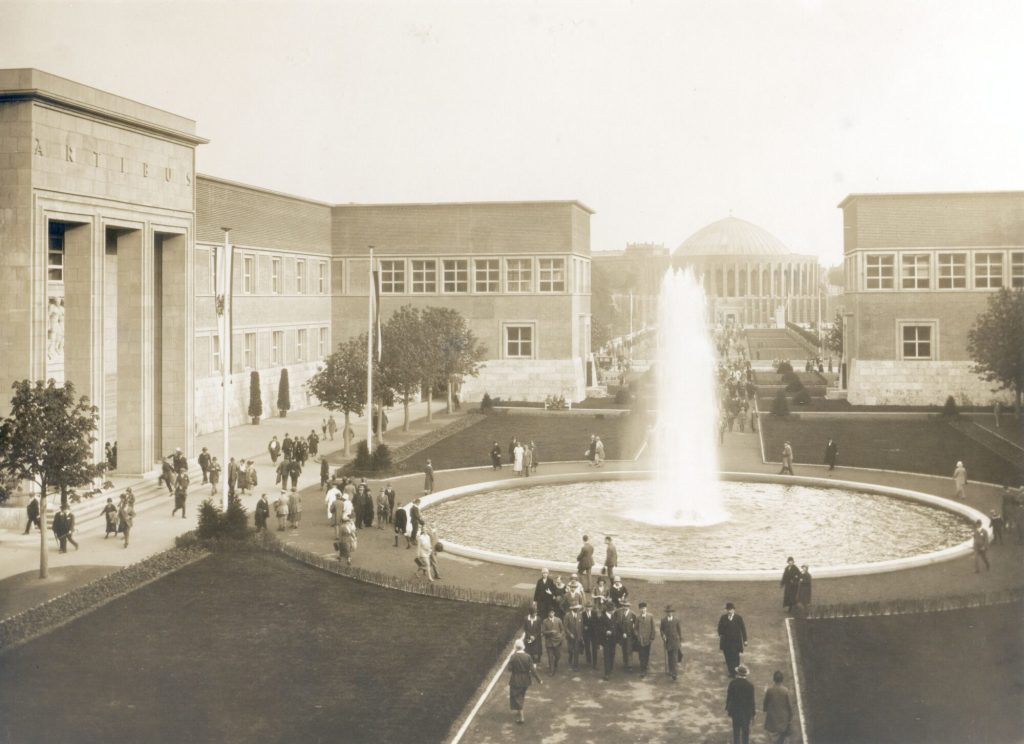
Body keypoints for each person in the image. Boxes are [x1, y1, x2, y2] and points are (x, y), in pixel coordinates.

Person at [507, 637, 543, 725]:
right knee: (521, 696)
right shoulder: (527, 656)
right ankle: (519, 711)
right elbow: (532, 670)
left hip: (516, 680)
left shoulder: (513, 656)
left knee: (516, 697)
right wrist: (539, 680)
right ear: (523, 646)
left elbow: (509, 668)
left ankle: (521, 717)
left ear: (515, 647)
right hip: (526, 680)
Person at [726, 665, 756, 744]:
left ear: (737, 673)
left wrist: (728, 709)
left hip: (735, 711)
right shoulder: (750, 686)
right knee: (745, 731)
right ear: (745, 674)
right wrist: (753, 713)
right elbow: (751, 701)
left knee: (736, 730)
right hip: (746, 713)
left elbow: (729, 697)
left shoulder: (733, 683)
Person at [718, 602, 748, 677]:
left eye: (731, 609)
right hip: (726, 642)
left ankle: (736, 671)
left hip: (735, 642)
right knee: (728, 657)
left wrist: (745, 640)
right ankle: (731, 672)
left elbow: (743, 629)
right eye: (728, 609)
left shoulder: (738, 618)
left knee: (735, 657)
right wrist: (722, 634)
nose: (729, 611)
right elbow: (719, 628)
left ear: (734, 610)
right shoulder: (723, 618)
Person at [763, 670, 793, 744]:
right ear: (782, 679)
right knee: (782, 739)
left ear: (774, 679)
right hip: (783, 721)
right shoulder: (786, 691)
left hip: (772, 721)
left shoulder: (769, 690)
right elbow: (789, 706)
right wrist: (790, 717)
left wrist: (766, 709)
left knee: (773, 739)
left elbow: (765, 704)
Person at [614, 599, 638, 671]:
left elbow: (636, 624)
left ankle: (630, 665)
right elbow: (616, 621)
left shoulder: (632, 614)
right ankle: (625, 662)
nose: (625, 607)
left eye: (627, 606)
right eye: (624, 606)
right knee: (624, 648)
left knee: (629, 649)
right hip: (621, 635)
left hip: (629, 635)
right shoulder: (619, 612)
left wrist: (634, 631)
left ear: (629, 606)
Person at [597, 600, 618, 680]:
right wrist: (606, 631)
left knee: (612, 654)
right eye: (612, 609)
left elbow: (615, 627)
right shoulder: (602, 618)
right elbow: (599, 629)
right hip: (606, 640)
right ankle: (607, 673)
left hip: (613, 640)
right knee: (606, 656)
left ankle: (610, 669)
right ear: (609, 610)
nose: (613, 611)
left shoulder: (613, 616)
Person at [660, 604, 683, 680]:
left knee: (675, 657)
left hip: (675, 641)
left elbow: (679, 630)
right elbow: (661, 630)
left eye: (671, 612)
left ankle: (674, 673)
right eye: (668, 612)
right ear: (666, 613)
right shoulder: (663, 620)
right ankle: (670, 671)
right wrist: (663, 636)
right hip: (668, 642)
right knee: (670, 657)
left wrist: (680, 639)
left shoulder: (676, 620)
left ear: (672, 612)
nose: (669, 613)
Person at [541, 607, 565, 675]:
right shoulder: (545, 621)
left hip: (557, 641)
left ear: (554, 613)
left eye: (552, 612)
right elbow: (543, 631)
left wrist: (561, 635)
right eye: (550, 612)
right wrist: (550, 632)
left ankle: (555, 663)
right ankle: (551, 671)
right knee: (550, 657)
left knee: (558, 656)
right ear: (548, 613)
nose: (551, 613)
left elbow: (563, 630)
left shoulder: (558, 620)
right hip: (549, 641)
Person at [636, 601, 656, 678]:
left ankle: (645, 665)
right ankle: (642, 670)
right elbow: (635, 629)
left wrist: (652, 637)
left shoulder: (650, 616)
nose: (643, 610)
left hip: (648, 639)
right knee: (641, 654)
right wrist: (638, 635)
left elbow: (653, 628)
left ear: (646, 608)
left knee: (646, 653)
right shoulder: (638, 618)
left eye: (644, 608)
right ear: (639, 609)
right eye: (641, 609)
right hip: (640, 639)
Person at [564, 602, 584, 671]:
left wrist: (581, 635)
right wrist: (570, 634)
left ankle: (576, 666)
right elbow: (565, 627)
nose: (577, 609)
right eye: (576, 608)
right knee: (570, 649)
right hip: (570, 636)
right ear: (573, 608)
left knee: (576, 650)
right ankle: (570, 656)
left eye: (578, 608)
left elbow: (581, 626)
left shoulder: (580, 615)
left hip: (577, 636)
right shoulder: (567, 615)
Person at [581, 603, 598, 669]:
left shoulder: (594, 613)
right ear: (585, 607)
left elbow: (597, 622)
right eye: (587, 607)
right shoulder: (583, 614)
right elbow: (581, 623)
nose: (588, 608)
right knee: (587, 647)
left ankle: (595, 663)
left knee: (594, 648)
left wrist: (595, 630)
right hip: (586, 633)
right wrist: (584, 627)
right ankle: (589, 660)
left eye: (589, 607)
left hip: (593, 633)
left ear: (591, 607)